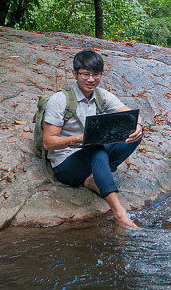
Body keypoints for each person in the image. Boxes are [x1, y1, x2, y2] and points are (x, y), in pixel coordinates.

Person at [42, 50, 143, 229]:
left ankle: (94, 178)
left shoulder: (101, 95)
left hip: (91, 153)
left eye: (96, 74)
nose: (91, 79)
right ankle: (120, 214)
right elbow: (48, 142)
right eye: (85, 74)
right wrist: (77, 139)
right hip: (66, 165)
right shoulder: (60, 100)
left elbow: (130, 114)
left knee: (133, 135)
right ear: (75, 74)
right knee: (97, 149)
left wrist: (138, 126)